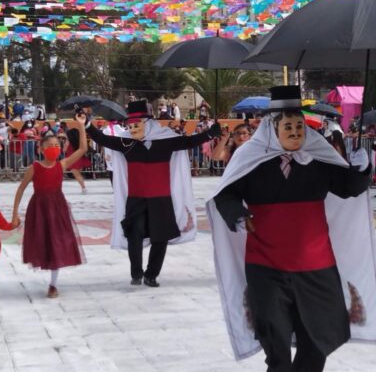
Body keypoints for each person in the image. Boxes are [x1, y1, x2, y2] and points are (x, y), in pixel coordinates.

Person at [208, 86, 376, 372]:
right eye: (288, 126)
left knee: (321, 327)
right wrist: (239, 215)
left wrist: (362, 167)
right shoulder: (250, 158)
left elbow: (348, 188)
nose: (295, 132)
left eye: (300, 126)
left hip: (316, 261)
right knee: (273, 327)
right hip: (266, 261)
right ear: (273, 128)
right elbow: (226, 195)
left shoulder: (318, 158)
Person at [86, 100, 220, 287]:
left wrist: (211, 133)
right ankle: (136, 272)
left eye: (136, 124)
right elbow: (103, 139)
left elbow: (189, 141)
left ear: (148, 123)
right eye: (130, 125)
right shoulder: (126, 143)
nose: (132, 129)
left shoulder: (166, 141)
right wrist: (86, 123)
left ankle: (151, 274)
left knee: (160, 237)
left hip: (161, 199)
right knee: (135, 234)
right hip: (136, 199)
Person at [12, 114, 87, 298]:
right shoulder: (35, 167)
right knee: (42, 241)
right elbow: (20, 189)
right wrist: (14, 213)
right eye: (50, 145)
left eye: (57, 145)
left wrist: (81, 126)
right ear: (41, 149)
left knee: (57, 243)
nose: (54, 148)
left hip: (57, 208)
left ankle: (53, 284)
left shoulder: (62, 165)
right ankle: (49, 275)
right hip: (39, 208)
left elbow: (83, 149)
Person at [65, 126, 91, 194]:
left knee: (77, 174)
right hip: (78, 157)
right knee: (78, 174)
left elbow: (64, 149)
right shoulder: (79, 141)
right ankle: (83, 188)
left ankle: (84, 188)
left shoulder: (69, 141)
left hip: (73, 158)